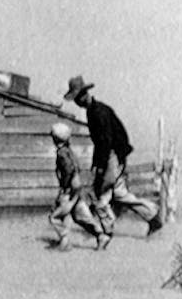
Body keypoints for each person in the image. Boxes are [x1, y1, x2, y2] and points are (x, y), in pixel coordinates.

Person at [63, 76, 164, 241]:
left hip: (112, 155)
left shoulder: (98, 112)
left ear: (84, 95)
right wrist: (97, 164)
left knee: (101, 194)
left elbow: (105, 142)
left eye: (77, 98)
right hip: (113, 155)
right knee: (119, 193)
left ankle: (106, 231)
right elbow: (100, 142)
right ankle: (153, 216)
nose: (77, 102)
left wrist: (102, 166)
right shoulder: (93, 111)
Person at [48, 122, 110, 251]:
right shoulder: (69, 151)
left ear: (55, 138)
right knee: (81, 216)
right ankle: (100, 235)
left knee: (55, 216)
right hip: (77, 189)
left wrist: (64, 188)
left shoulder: (62, 153)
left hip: (69, 190)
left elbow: (68, 170)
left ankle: (65, 241)